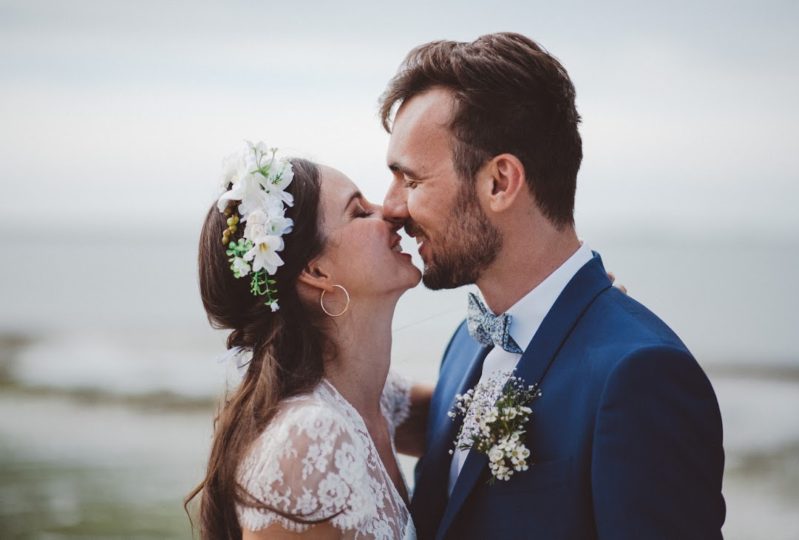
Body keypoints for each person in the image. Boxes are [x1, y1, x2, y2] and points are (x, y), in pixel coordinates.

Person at [380, 33, 726, 539]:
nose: (391, 206)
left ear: (500, 182)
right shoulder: (464, 344)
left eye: (410, 180)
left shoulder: (640, 375)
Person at [186, 143, 429, 539]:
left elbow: (478, 425)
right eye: (359, 211)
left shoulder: (378, 399)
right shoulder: (309, 437)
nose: (390, 213)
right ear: (315, 270)